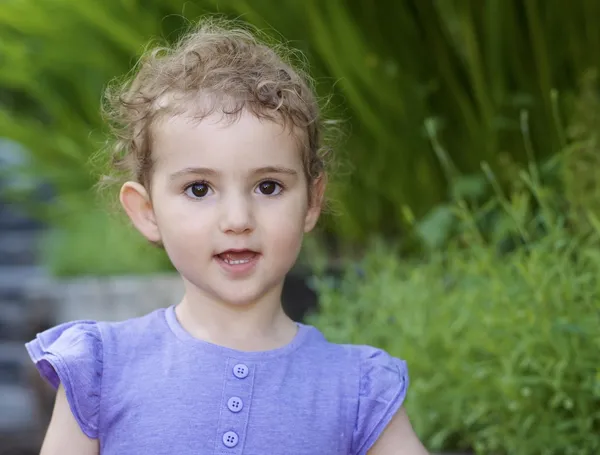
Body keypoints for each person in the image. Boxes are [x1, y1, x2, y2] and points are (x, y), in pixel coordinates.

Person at [25, 17, 429, 455]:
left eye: (268, 186)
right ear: (147, 212)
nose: (238, 219)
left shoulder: (358, 389)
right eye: (199, 189)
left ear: (311, 202)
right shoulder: (101, 368)